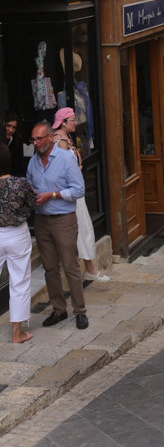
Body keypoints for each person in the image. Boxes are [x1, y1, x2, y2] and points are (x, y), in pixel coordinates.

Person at [26, 120, 88, 329]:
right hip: (42, 221)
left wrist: (52, 195)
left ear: (50, 137)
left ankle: (80, 311)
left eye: (39, 138)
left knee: (70, 267)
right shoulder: (32, 162)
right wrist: (31, 195)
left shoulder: (66, 159)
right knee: (50, 268)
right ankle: (59, 310)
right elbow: (29, 186)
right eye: (32, 139)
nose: (35, 143)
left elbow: (78, 190)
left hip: (63, 219)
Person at [51, 108, 109, 283]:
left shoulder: (66, 139)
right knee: (80, 229)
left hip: (75, 192)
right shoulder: (60, 141)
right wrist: (77, 171)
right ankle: (88, 269)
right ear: (62, 122)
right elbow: (61, 170)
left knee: (83, 228)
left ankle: (88, 268)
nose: (76, 122)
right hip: (70, 194)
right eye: (72, 120)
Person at [0, 142, 36, 343]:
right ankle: (17, 334)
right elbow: (31, 204)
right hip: (16, 233)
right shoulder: (20, 183)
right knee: (19, 281)